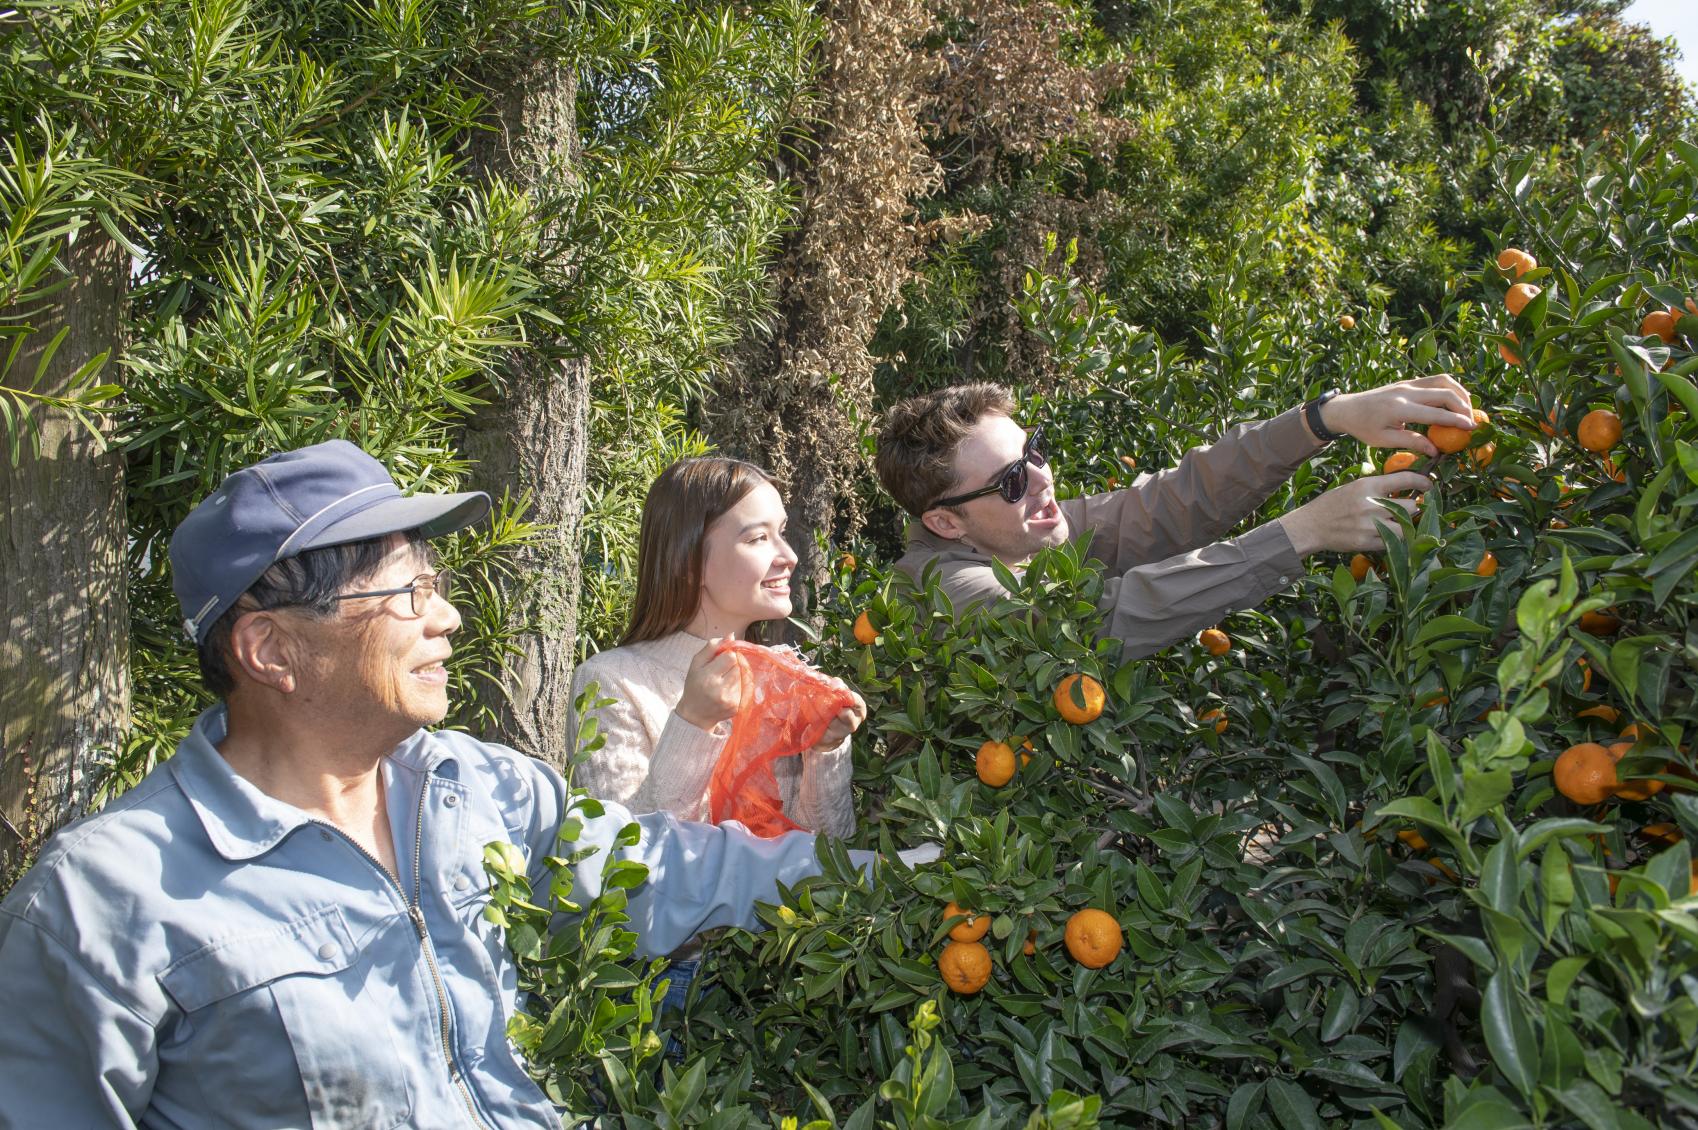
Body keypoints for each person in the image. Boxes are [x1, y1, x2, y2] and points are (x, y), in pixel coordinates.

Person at [0, 440, 882, 1128]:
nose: (448, 615)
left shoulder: (475, 789)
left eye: (439, 583)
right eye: (408, 593)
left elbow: (671, 868)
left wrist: (906, 876)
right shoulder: (105, 902)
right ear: (271, 650)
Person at [875, 377, 1476, 655]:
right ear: (945, 524)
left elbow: (1167, 505)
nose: (1040, 478)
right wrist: (1302, 532)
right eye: (1010, 480)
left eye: (1033, 451)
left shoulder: (1022, 534)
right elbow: (1096, 628)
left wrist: (1324, 419)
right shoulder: (942, 590)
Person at [569, 457, 868, 1011]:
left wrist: (828, 749)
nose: (789, 555)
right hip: (672, 987)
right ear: (691, 562)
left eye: (783, 532)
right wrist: (694, 722)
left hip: (789, 977)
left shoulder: (786, 677)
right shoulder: (611, 681)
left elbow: (828, 853)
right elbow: (628, 873)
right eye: (759, 537)